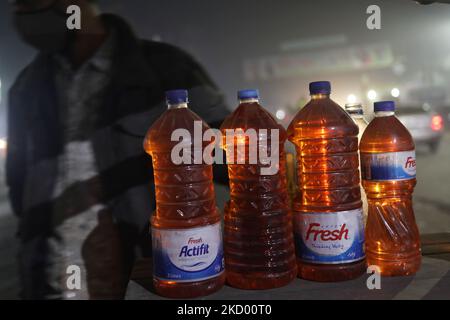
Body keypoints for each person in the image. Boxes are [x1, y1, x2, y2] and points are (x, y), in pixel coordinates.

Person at [7, 0, 229, 299]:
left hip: (144, 277)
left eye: (31, 3)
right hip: (49, 282)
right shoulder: (26, 87)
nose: (22, 15)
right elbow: (20, 187)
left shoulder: (166, 69)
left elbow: (230, 157)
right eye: (18, 6)